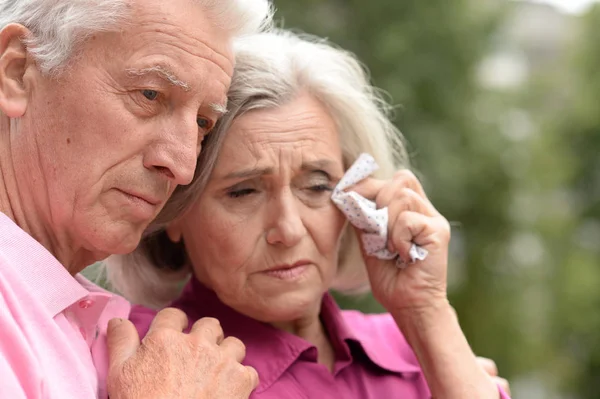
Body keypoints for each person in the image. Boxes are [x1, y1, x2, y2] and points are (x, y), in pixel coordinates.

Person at [107, 30, 511, 398]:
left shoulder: (411, 346)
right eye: (243, 191)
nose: (288, 229)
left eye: (317, 186)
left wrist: (426, 309)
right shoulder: (150, 365)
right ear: (175, 209)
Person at [0, 0, 272, 398]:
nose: (183, 167)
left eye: (202, 123)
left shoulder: (79, 315)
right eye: (149, 94)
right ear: (17, 72)